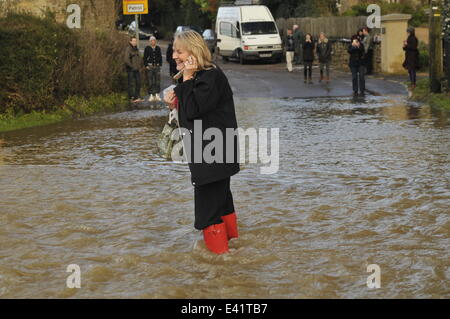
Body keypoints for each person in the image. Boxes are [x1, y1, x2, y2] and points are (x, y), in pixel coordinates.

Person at [163, 30, 240, 255]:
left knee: (208, 213)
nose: (174, 55)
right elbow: (190, 112)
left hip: (213, 155)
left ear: (193, 53)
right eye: (174, 51)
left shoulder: (209, 76)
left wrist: (185, 78)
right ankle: (233, 252)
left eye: (179, 51)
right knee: (222, 204)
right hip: (214, 154)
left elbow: (194, 110)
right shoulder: (202, 77)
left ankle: (218, 266)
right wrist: (173, 103)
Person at [124, 36, 143, 103]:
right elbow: (126, 60)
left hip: (137, 69)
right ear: (130, 41)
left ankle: (136, 96)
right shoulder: (128, 49)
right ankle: (131, 97)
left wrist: (140, 65)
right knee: (131, 84)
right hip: (131, 69)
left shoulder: (136, 49)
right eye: (134, 41)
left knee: (138, 83)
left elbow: (140, 57)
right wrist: (132, 66)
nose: (135, 42)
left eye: (136, 41)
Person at [144, 36, 162, 102]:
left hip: (157, 66)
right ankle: (151, 95)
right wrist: (146, 65)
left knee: (157, 81)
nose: (153, 42)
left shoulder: (158, 48)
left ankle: (157, 94)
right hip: (150, 66)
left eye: (154, 40)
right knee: (150, 81)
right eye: (151, 41)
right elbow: (145, 58)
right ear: (149, 42)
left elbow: (160, 57)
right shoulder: (147, 48)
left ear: (155, 41)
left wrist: (160, 64)